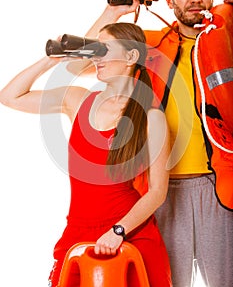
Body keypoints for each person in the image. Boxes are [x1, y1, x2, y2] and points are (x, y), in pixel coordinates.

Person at [79, 0, 233, 287]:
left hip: (217, 187)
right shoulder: (152, 46)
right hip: (158, 191)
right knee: (165, 281)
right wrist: (111, 16)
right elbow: (83, 64)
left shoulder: (227, 43)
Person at [0, 22, 172, 286]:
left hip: (130, 233)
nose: (97, 57)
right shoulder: (77, 99)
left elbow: (158, 191)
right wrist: (50, 60)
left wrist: (118, 231)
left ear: (130, 56)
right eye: (95, 50)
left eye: (104, 49)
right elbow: (10, 96)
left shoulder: (152, 117)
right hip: (78, 233)